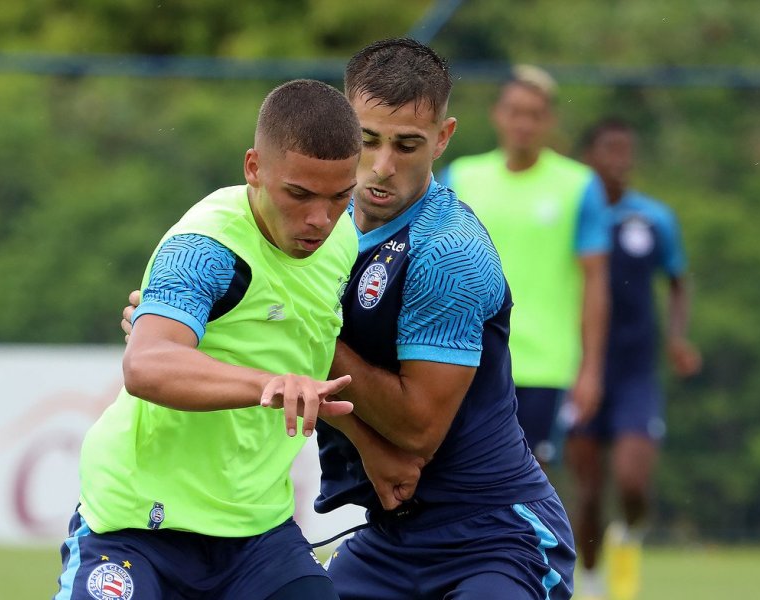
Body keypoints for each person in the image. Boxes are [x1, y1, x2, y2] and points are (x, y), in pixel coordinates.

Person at [123, 39, 576, 599]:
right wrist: (201, 326)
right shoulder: (318, 226)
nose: (382, 168)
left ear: (443, 138)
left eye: (407, 145)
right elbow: (253, 332)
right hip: (385, 538)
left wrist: (282, 331)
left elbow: (416, 431)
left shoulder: (448, 251)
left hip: (491, 534)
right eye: (367, 140)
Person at [54, 79, 363, 600]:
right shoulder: (205, 247)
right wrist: (269, 384)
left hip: (257, 533)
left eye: (339, 196)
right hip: (138, 526)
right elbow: (146, 364)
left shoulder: (344, 238)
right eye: (299, 194)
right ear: (254, 168)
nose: (320, 219)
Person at [440, 65, 611, 467]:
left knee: (530, 478)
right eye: (515, 112)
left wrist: (590, 368)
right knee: (460, 471)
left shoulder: (578, 185)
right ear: (497, 114)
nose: (523, 124)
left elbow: (596, 281)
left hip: (544, 365)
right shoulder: (461, 177)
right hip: (467, 355)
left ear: (549, 120)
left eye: (534, 114)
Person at [567, 118, 701, 600]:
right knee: (587, 491)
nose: (620, 159)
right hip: (579, 367)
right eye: (610, 149)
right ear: (589, 157)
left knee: (631, 481)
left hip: (636, 373)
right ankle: (593, 581)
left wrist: (678, 338)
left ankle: (631, 531)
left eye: (627, 150)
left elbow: (678, 280)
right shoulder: (573, 214)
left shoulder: (654, 218)